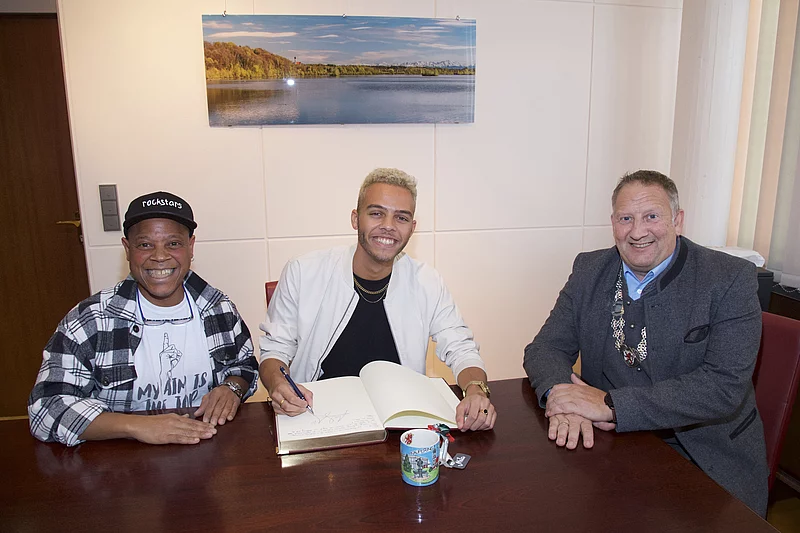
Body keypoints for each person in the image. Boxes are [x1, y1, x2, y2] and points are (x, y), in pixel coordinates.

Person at [523, 170, 769, 515]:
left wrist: (611, 405)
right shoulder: (589, 269)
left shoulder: (729, 279)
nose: (638, 232)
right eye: (626, 218)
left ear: (677, 221)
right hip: (613, 448)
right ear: (613, 223)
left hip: (705, 456)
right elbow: (545, 348)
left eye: (652, 216)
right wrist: (562, 397)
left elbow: (722, 387)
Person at [260, 168, 495, 431]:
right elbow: (274, 352)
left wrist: (476, 390)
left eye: (401, 217)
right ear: (355, 219)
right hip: (318, 418)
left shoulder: (427, 281)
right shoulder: (303, 272)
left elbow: (461, 348)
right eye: (376, 213)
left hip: (401, 423)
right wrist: (279, 385)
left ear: (412, 228)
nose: (389, 226)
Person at [29, 191, 258, 447]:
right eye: (145, 245)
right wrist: (136, 426)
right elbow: (46, 408)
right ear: (127, 249)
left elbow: (245, 366)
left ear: (191, 247)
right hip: (121, 460)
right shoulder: (91, 320)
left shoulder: (218, 308)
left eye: (173, 243)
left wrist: (231, 388)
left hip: (206, 449)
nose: (160, 256)